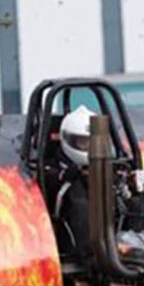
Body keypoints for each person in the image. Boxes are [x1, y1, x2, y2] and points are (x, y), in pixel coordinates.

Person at [53, 105, 95, 263]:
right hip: (68, 229)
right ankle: (88, 255)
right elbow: (52, 182)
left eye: (90, 142)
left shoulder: (103, 162)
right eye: (82, 142)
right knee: (80, 202)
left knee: (134, 200)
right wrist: (71, 174)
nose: (86, 147)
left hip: (111, 238)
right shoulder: (52, 167)